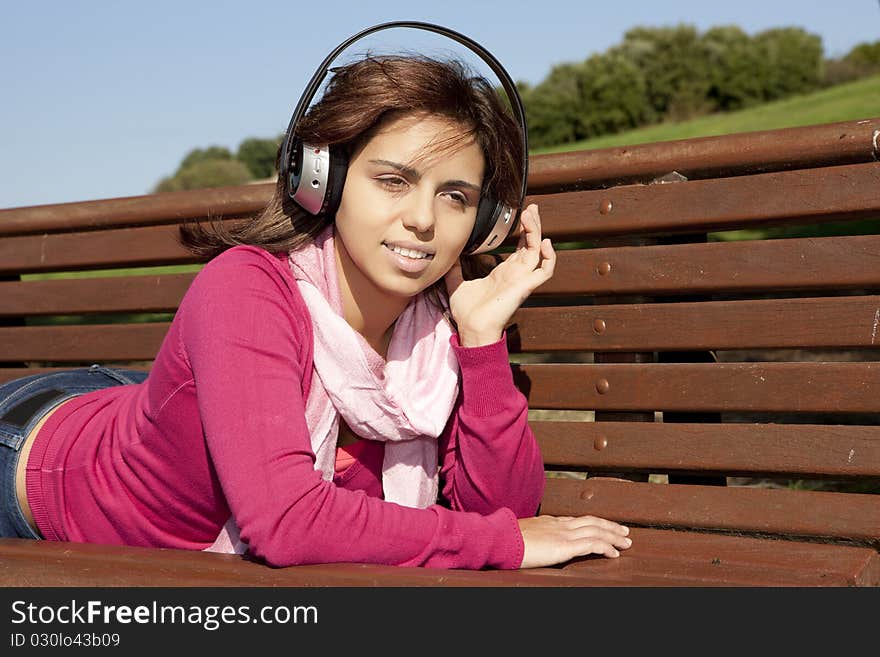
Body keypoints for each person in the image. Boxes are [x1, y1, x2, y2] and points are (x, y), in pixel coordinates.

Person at [0, 52, 631, 570]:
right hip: (36, 450)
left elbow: (505, 510)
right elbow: (287, 522)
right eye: (393, 180)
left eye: (455, 196)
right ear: (321, 180)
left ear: (485, 221)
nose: (422, 218)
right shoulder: (244, 289)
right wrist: (505, 544)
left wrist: (482, 339)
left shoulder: (438, 330)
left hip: (164, 407)